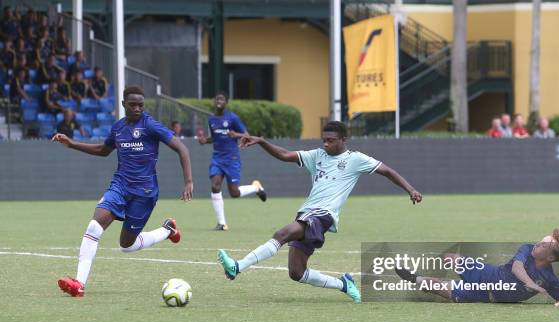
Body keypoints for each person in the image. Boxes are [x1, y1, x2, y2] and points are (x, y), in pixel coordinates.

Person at [217, 121, 423, 303]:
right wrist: (261, 141)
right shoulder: (317, 155)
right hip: (307, 213)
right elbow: (284, 155)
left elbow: (387, 170)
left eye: (331, 140)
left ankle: (237, 266)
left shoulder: (356, 159)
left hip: (323, 215)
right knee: (296, 272)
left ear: (343, 140)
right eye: (324, 140)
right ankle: (343, 284)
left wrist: (411, 189)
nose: (326, 144)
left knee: (282, 234)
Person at [52, 85, 194, 297]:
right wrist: (72, 144)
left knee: (126, 246)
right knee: (94, 225)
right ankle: (79, 284)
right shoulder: (118, 128)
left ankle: (167, 230)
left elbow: (182, 148)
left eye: (141, 105)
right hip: (119, 186)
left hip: (144, 192)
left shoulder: (151, 126)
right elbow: (103, 150)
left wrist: (189, 181)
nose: (137, 108)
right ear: (123, 104)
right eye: (132, 104)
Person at [400, 228, 559, 307]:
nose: (539, 243)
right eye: (542, 240)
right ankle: (418, 274)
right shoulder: (527, 248)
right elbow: (517, 267)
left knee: (440, 289)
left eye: (544, 245)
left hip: (486, 296)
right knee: (450, 258)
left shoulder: (549, 278)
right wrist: (530, 283)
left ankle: (416, 279)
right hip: (489, 275)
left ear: (551, 257)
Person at [197, 91, 267, 231]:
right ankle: (222, 223)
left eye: (222, 99)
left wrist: (237, 134)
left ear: (226, 103)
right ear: (214, 101)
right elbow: (215, 138)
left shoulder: (232, 118)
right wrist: (205, 141)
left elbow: (247, 135)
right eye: (217, 99)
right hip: (217, 158)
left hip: (232, 159)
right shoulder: (211, 119)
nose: (219, 101)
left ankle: (256, 188)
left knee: (234, 193)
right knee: (215, 186)